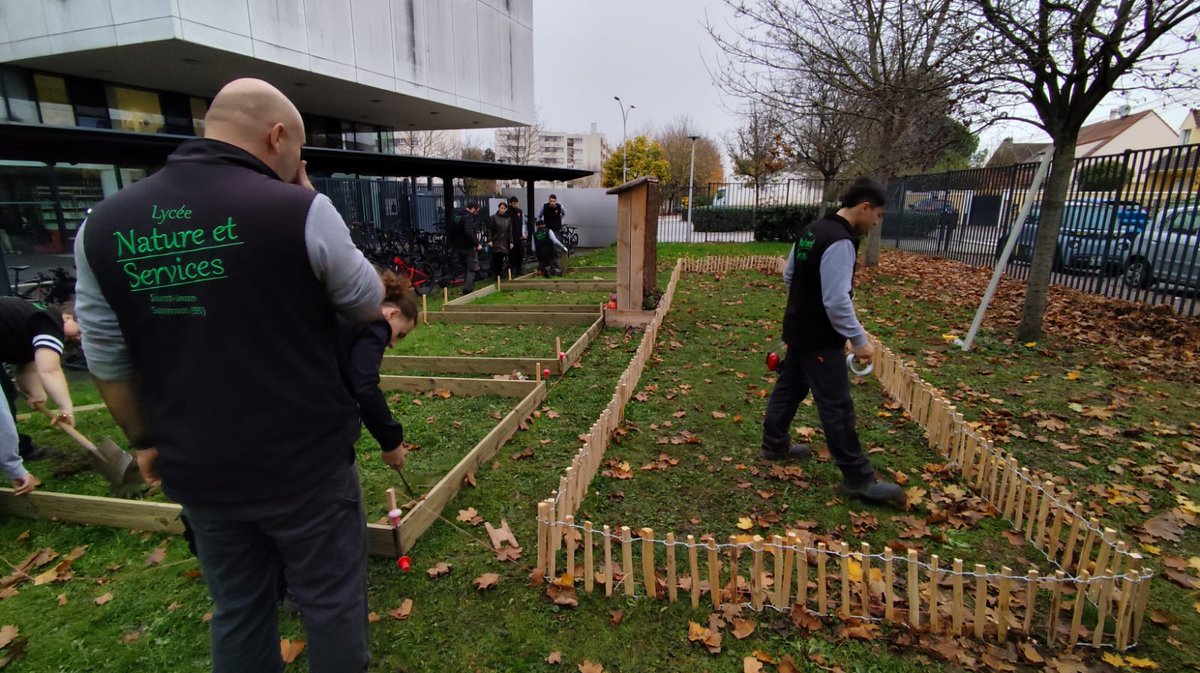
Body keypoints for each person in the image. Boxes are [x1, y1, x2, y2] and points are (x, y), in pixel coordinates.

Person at [73, 78, 383, 673]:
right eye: (297, 153)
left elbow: (107, 361)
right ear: (277, 136)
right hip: (306, 462)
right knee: (330, 602)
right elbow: (367, 301)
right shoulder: (300, 209)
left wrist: (145, 440)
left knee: (238, 607)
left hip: (200, 467)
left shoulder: (104, 226)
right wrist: (311, 197)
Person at [761, 177, 904, 509]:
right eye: (877, 215)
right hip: (821, 338)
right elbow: (837, 301)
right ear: (864, 207)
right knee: (837, 406)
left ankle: (774, 444)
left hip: (798, 327)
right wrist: (858, 339)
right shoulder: (841, 240)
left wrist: (804, 306)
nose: (876, 222)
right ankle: (859, 479)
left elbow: (789, 276)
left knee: (790, 386)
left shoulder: (812, 229)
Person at [338, 270, 418, 460]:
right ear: (392, 313)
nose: (392, 344)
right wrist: (391, 442)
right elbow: (364, 385)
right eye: (401, 334)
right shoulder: (376, 324)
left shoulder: (351, 315)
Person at [0, 297, 79, 464]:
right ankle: (16, 451)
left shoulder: (36, 319)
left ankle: (16, 448)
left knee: (7, 393)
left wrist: (35, 393)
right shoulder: (50, 323)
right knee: (4, 398)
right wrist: (65, 408)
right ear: (67, 318)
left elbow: (27, 365)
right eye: (81, 330)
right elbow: (50, 370)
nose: (80, 337)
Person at [452, 202, 482, 294]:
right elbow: (469, 232)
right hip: (468, 247)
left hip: (458, 247)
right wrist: (477, 244)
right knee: (471, 268)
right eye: (476, 211)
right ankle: (467, 289)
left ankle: (466, 286)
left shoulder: (457, 217)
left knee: (465, 267)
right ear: (473, 208)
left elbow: (452, 230)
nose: (476, 214)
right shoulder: (469, 217)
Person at [489, 202, 513, 281]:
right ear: (498, 208)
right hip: (496, 240)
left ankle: (500, 274)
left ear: (506, 209)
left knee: (502, 258)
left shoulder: (508, 219)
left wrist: (511, 241)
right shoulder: (493, 217)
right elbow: (490, 230)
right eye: (501, 208)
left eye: (504, 208)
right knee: (496, 258)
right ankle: (496, 275)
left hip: (504, 241)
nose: (502, 209)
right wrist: (490, 240)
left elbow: (510, 231)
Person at [506, 196, 525, 275]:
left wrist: (523, 233)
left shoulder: (519, 211)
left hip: (519, 236)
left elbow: (522, 223)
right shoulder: (508, 212)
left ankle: (519, 270)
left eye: (516, 204)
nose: (515, 205)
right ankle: (512, 270)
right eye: (514, 204)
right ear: (511, 203)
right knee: (512, 255)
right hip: (511, 237)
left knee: (520, 254)